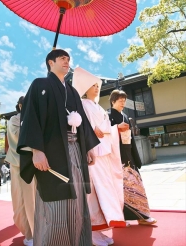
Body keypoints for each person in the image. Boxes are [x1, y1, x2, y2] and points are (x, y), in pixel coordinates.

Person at [17, 49, 100, 246]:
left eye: (68, 59)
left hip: (75, 151)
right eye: (62, 58)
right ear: (50, 62)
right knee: (55, 203)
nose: (67, 61)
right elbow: (30, 118)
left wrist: (88, 147)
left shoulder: (71, 91)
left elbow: (83, 122)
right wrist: (36, 151)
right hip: (51, 153)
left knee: (78, 198)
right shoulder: (40, 85)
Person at [73, 67, 126, 246]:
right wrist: (95, 131)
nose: (96, 88)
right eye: (92, 85)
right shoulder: (83, 105)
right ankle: (92, 233)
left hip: (105, 152)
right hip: (94, 152)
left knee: (105, 190)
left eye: (97, 85)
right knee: (94, 192)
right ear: (85, 88)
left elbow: (102, 129)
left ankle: (102, 230)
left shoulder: (98, 107)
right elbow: (86, 128)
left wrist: (111, 130)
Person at [109, 89, 157, 225]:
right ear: (113, 101)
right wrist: (116, 128)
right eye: (120, 101)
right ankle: (123, 217)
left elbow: (132, 139)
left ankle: (142, 216)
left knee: (136, 186)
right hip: (117, 157)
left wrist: (136, 157)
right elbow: (104, 135)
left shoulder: (125, 116)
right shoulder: (107, 116)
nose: (123, 103)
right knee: (121, 189)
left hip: (128, 154)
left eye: (124, 101)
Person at [6, 96, 35, 246]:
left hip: (33, 163)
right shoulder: (14, 119)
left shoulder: (34, 118)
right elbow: (18, 138)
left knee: (33, 200)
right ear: (20, 106)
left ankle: (35, 231)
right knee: (21, 200)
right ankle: (28, 234)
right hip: (18, 163)